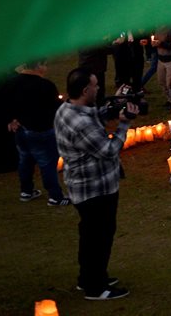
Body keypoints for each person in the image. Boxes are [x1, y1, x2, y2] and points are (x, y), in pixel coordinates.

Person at [54, 67, 135, 300]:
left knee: (90, 235)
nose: (98, 88)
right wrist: (124, 124)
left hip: (85, 186)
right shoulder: (80, 123)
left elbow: (91, 116)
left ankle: (89, 276)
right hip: (95, 189)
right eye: (95, 85)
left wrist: (112, 107)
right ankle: (95, 287)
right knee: (99, 237)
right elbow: (109, 150)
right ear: (84, 90)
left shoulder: (67, 110)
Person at [7, 59, 68, 205]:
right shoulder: (45, 85)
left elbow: (6, 102)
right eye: (44, 65)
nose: (46, 68)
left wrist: (12, 119)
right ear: (38, 66)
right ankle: (55, 196)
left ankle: (26, 191)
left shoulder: (12, 83)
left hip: (21, 129)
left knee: (25, 161)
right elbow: (55, 108)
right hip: (41, 131)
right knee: (47, 164)